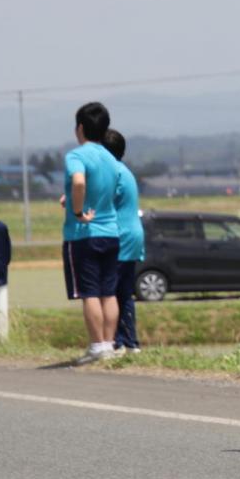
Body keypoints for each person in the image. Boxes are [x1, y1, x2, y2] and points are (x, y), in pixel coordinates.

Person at [62, 102, 121, 365]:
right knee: (109, 292)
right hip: (111, 231)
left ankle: (96, 345)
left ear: (80, 128)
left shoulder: (76, 156)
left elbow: (79, 181)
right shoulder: (111, 159)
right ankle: (108, 343)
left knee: (89, 292)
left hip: (83, 233)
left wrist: (77, 211)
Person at [102, 129, 144, 354]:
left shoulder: (113, 173)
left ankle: (118, 342)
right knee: (124, 292)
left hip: (120, 236)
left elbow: (99, 201)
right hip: (132, 236)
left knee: (111, 291)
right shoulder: (124, 170)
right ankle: (130, 342)